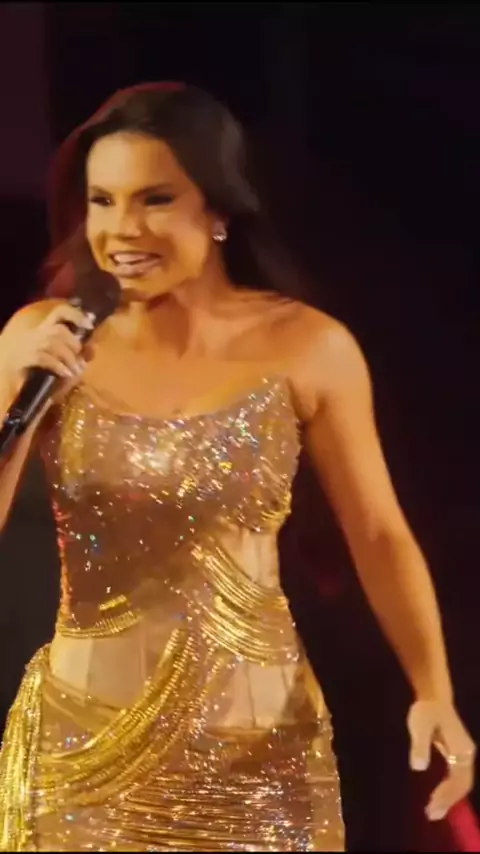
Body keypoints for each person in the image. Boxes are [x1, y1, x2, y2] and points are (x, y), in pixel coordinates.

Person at [0, 82, 475, 852]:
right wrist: (13, 395)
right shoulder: (44, 339)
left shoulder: (310, 348)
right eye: (102, 201)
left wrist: (435, 690)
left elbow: (379, 534)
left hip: (258, 759)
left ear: (218, 210)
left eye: (155, 199)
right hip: (79, 760)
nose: (122, 230)